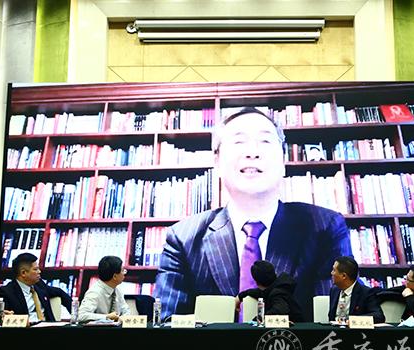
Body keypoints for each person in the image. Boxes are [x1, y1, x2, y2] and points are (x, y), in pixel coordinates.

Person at [155, 107, 352, 321]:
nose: (253, 152)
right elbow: (167, 326)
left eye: (265, 141)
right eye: (239, 141)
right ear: (217, 162)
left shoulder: (324, 227)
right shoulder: (183, 238)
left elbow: (335, 319)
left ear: (283, 161)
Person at [0, 252, 71, 323]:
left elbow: (59, 292)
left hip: (48, 328)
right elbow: (2, 317)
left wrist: (74, 314)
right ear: (23, 273)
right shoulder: (6, 292)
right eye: (35, 269)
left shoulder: (40, 285)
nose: (39, 271)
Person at [235, 260, 304, 322]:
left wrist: (258, 319)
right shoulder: (277, 287)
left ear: (257, 282)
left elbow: (280, 310)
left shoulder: (277, 293)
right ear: (274, 273)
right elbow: (261, 292)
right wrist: (241, 296)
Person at [328, 256, 385, 323]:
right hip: (334, 329)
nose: (331, 273)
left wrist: (353, 320)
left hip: (353, 329)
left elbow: (379, 316)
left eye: (334, 270)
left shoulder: (366, 292)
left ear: (344, 276)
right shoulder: (334, 291)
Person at [78, 256, 131, 323]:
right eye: (122, 270)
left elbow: (126, 310)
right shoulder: (95, 292)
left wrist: (123, 318)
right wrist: (106, 317)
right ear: (114, 276)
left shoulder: (116, 289)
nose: (124, 273)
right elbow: (82, 316)